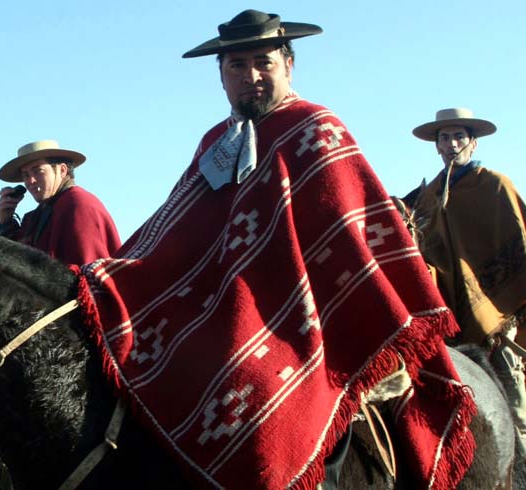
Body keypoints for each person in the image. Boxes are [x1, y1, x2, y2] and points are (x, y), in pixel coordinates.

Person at [77, 10, 475, 490]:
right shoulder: (216, 144)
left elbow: (349, 237)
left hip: (313, 313)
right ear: (221, 78)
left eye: (262, 63)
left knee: (268, 389)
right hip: (227, 307)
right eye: (236, 67)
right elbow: (178, 233)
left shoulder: (316, 127)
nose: (251, 77)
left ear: (288, 65)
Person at [410, 108, 526, 448]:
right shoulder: (427, 198)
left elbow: (520, 247)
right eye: (444, 138)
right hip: (451, 318)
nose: (451, 144)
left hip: (499, 318)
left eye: (459, 136)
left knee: (513, 404)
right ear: (437, 146)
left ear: (473, 143)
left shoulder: (494, 186)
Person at [0, 139, 121, 265]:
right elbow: (15, 268)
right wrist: (5, 222)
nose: (31, 181)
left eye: (38, 171)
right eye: (25, 175)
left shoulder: (79, 205)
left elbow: (88, 273)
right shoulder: (34, 217)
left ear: (62, 170)